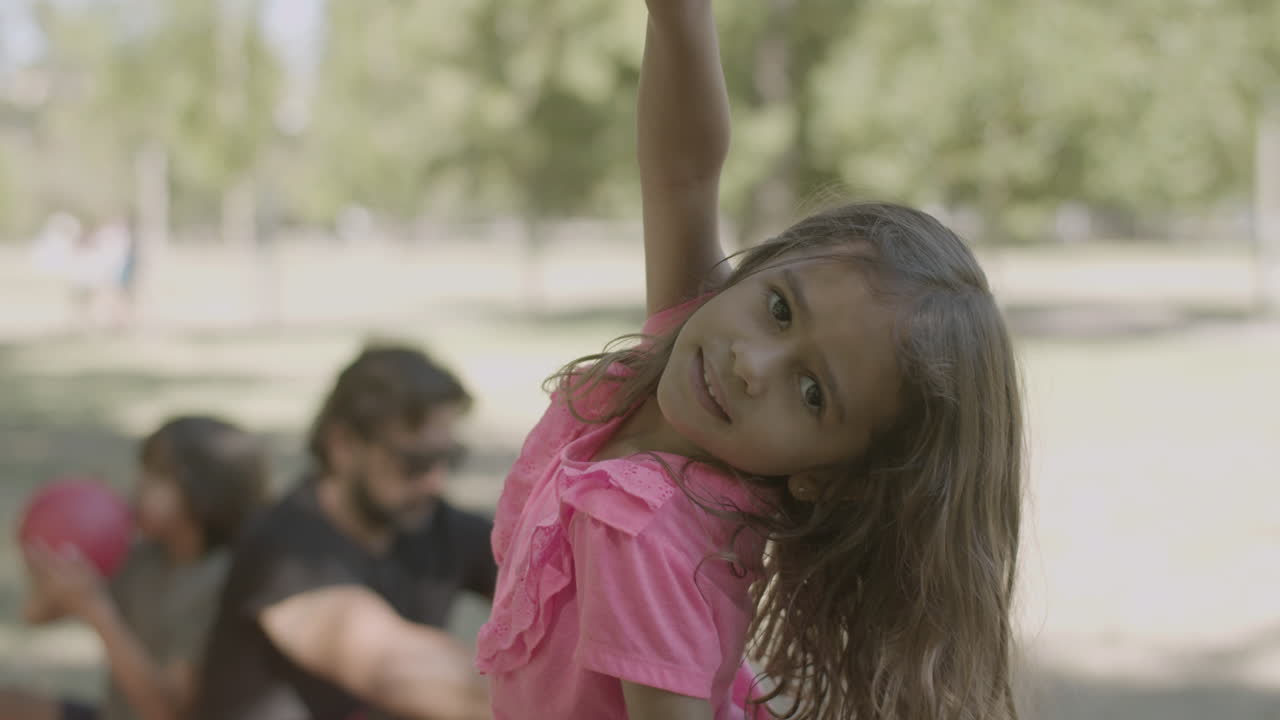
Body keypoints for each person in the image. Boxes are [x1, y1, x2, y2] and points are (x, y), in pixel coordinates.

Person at [473, 2, 1025, 720]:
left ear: (825, 476)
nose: (750, 365)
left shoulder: (643, 530)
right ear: (758, 270)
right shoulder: (685, 364)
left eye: (813, 392)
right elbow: (683, 178)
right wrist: (679, 18)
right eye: (780, 308)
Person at [195, 344, 496, 720]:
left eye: (448, 458)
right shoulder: (282, 546)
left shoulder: (436, 524)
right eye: (414, 462)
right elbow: (397, 669)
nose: (436, 481)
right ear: (343, 445)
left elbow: (551, 582)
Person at [0, 416, 270, 720]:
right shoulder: (141, 556)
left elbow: (166, 711)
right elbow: (35, 615)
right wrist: (52, 552)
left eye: (158, 476)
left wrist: (96, 610)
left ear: (206, 494)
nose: (139, 485)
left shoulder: (219, 581)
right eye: (143, 471)